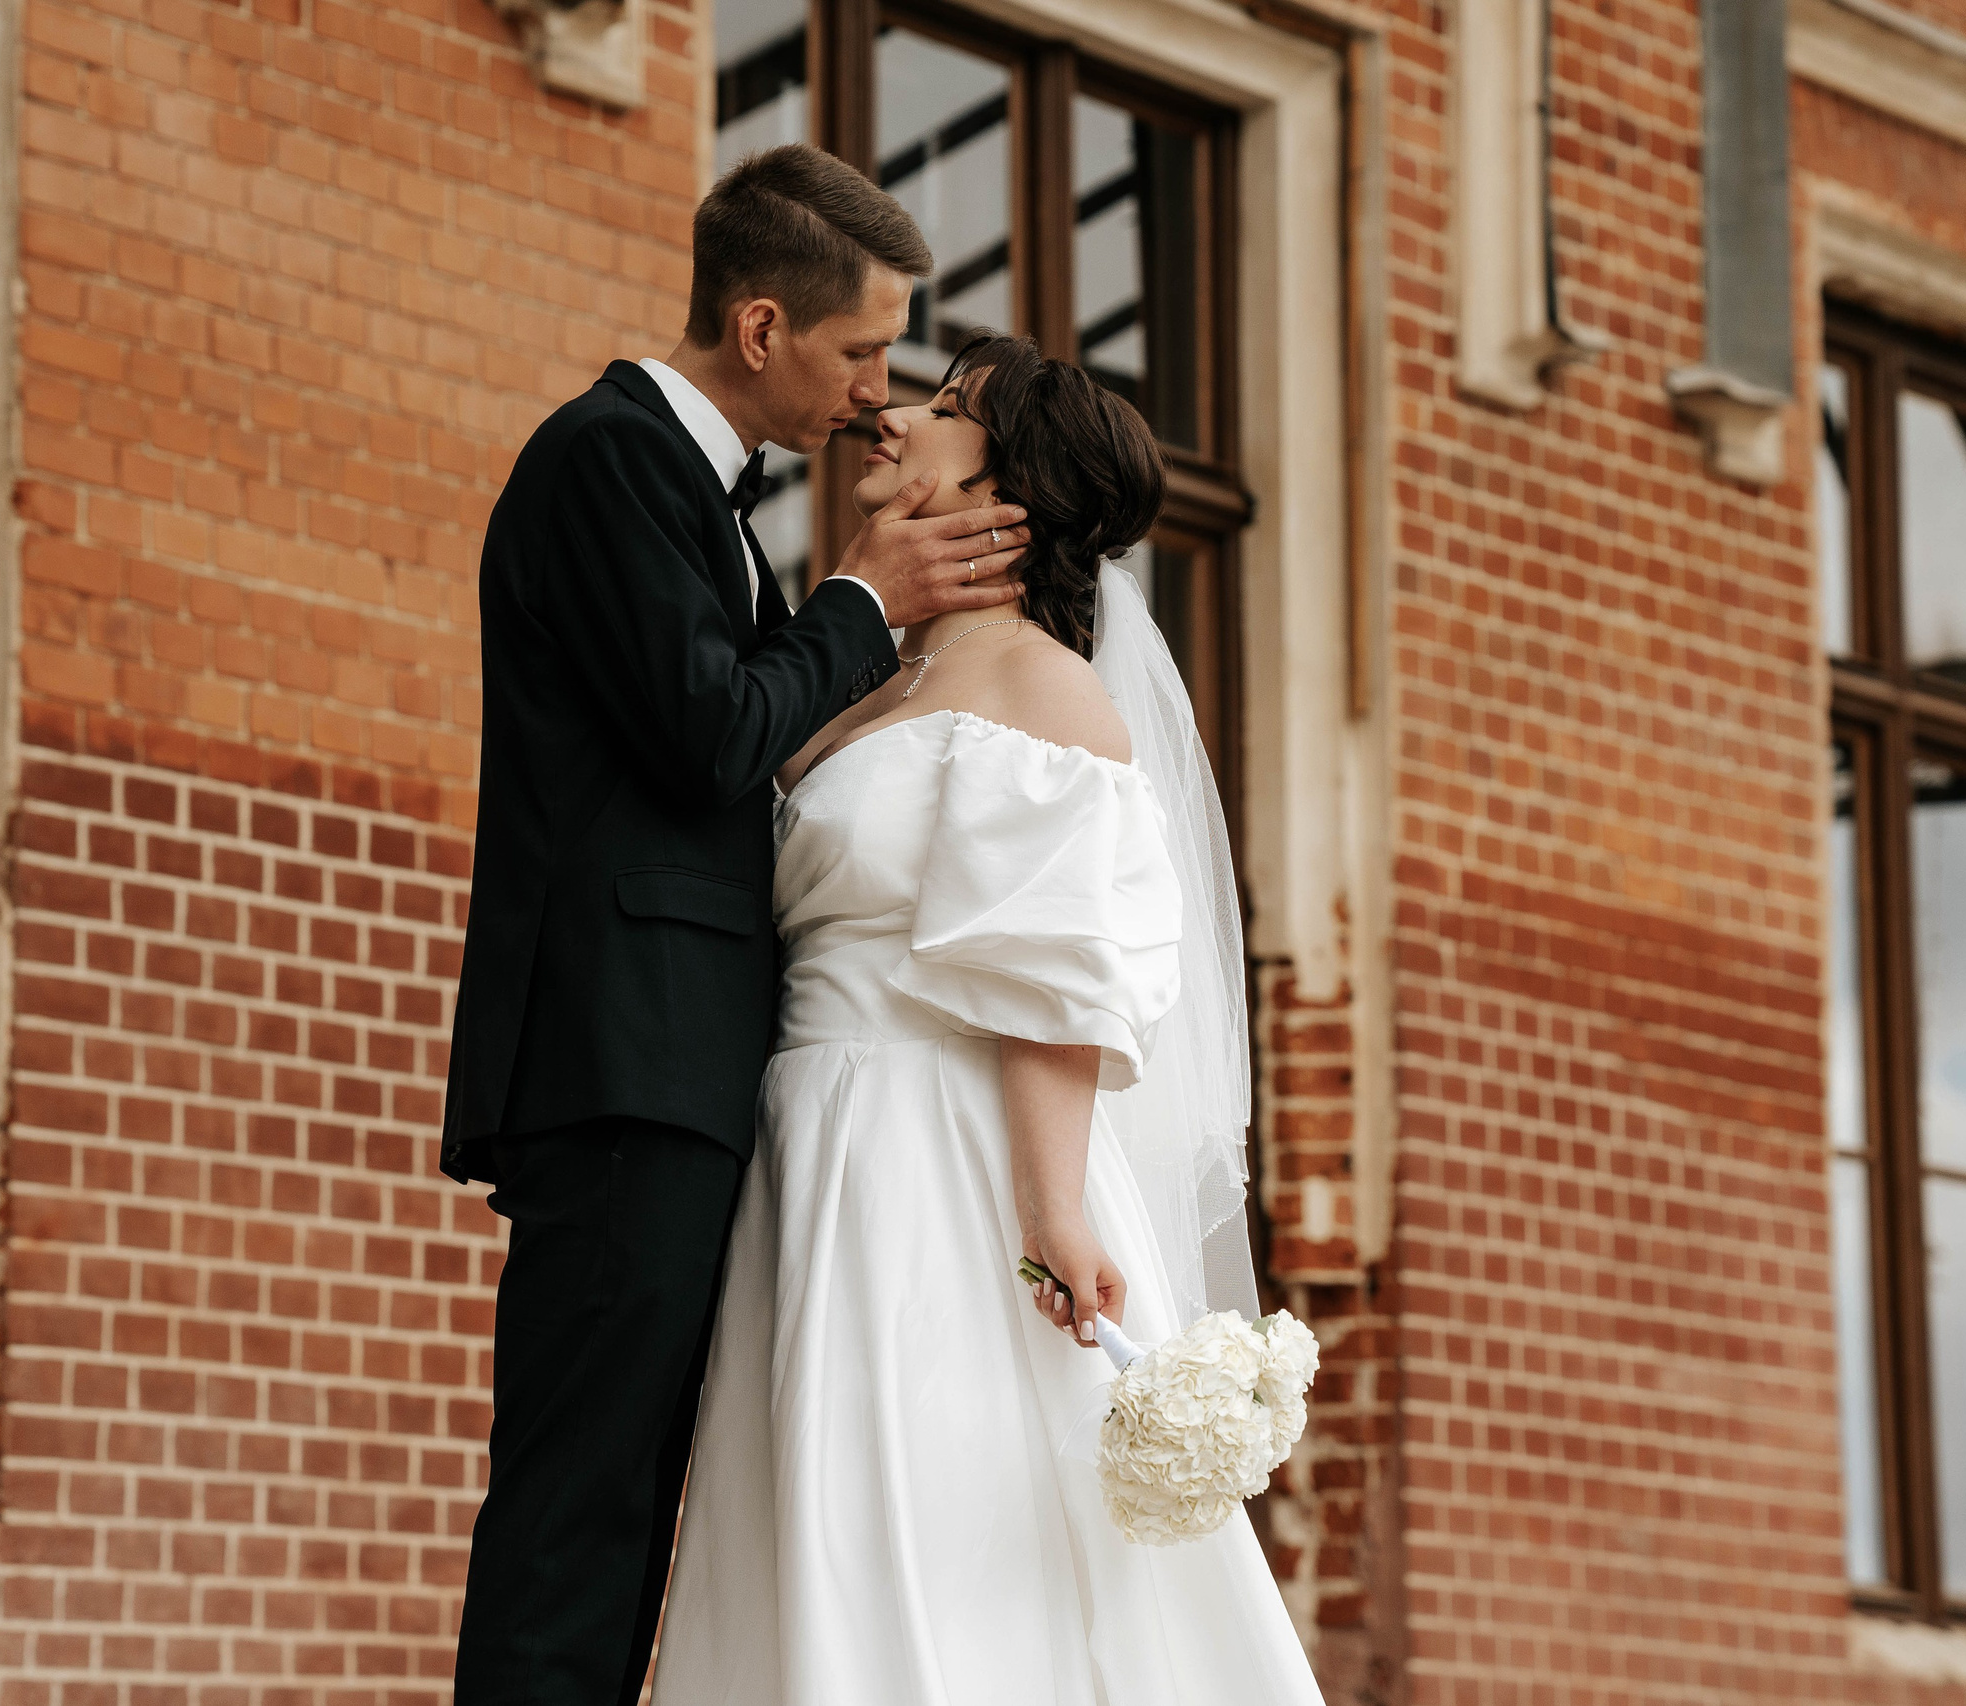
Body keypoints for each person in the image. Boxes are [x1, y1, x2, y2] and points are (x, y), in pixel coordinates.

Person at [441, 147, 1035, 1704]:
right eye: (859, 351)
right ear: (762, 327)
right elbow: (718, 735)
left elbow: (752, 732)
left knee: (628, 1510)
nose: (873, 390)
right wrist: (862, 598)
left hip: (678, 1072)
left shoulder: (700, 497)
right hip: (625, 1065)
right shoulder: (608, 458)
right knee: (578, 1511)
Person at [652, 333, 1324, 1704]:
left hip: (931, 1165)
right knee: (807, 1529)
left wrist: (1051, 1205)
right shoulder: (868, 680)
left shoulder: (1042, 688)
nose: (897, 416)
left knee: (928, 1536)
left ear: (1013, 489)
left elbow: (1048, 980)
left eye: (949, 409)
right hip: (805, 1152)